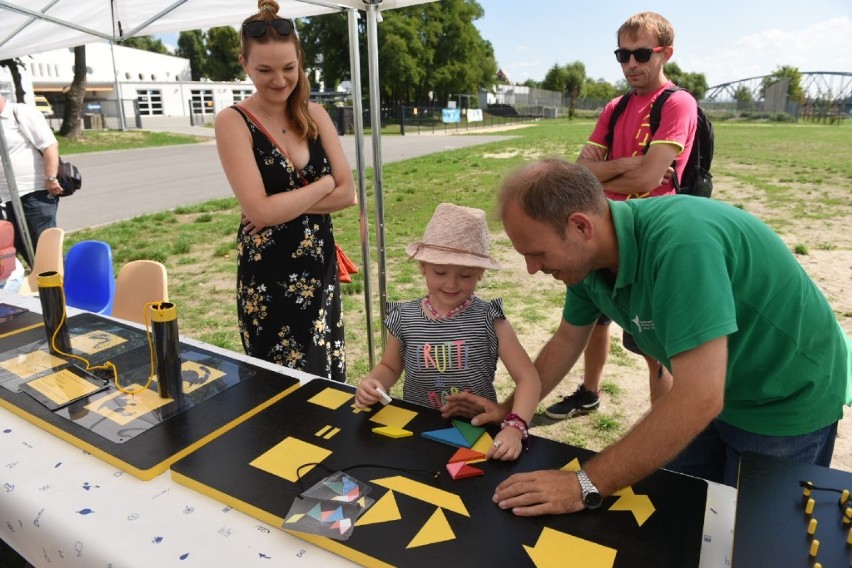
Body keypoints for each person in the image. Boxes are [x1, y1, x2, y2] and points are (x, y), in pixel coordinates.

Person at [443, 158, 849, 515]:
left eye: (537, 253)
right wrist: (511, 410)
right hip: (714, 395)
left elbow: (699, 397)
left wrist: (583, 484)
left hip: (784, 400)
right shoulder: (586, 260)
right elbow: (568, 339)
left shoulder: (681, 245)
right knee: (680, 517)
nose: (532, 268)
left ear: (580, 226)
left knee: (752, 540)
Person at [546, 12, 696, 421]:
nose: (631, 64)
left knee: (655, 348)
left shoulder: (677, 103)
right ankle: (589, 393)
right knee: (593, 322)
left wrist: (612, 167)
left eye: (641, 54)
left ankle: (664, 438)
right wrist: (630, 162)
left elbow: (650, 178)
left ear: (665, 53)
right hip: (601, 230)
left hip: (649, 239)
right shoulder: (614, 108)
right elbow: (578, 174)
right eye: (622, 55)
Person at [215, 0, 356, 380]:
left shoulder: (317, 115)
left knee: (326, 379)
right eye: (264, 70)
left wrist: (283, 205)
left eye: (289, 68)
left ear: (300, 62)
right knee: (277, 388)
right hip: (269, 278)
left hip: (318, 268)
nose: (279, 80)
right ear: (244, 64)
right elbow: (260, 213)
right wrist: (325, 183)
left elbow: (349, 195)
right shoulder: (233, 122)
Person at [355, 203, 541, 461]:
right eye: (440, 272)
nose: (451, 284)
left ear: (480, 274)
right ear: (422, 267)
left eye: (465, 275)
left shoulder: (491, 318)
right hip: (417, 429)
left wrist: (515, 427)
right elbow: (389, 366)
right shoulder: (404, 317)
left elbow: (528, 377)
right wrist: (374, 383)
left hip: (478, 432)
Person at [0, 92, 63, 268]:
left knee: (43, 247)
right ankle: (41, 288)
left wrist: (50, 178)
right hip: (5, 198)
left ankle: (63, 291)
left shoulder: (20, 113)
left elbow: (49, 144)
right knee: (18, 245)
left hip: (33, 193)